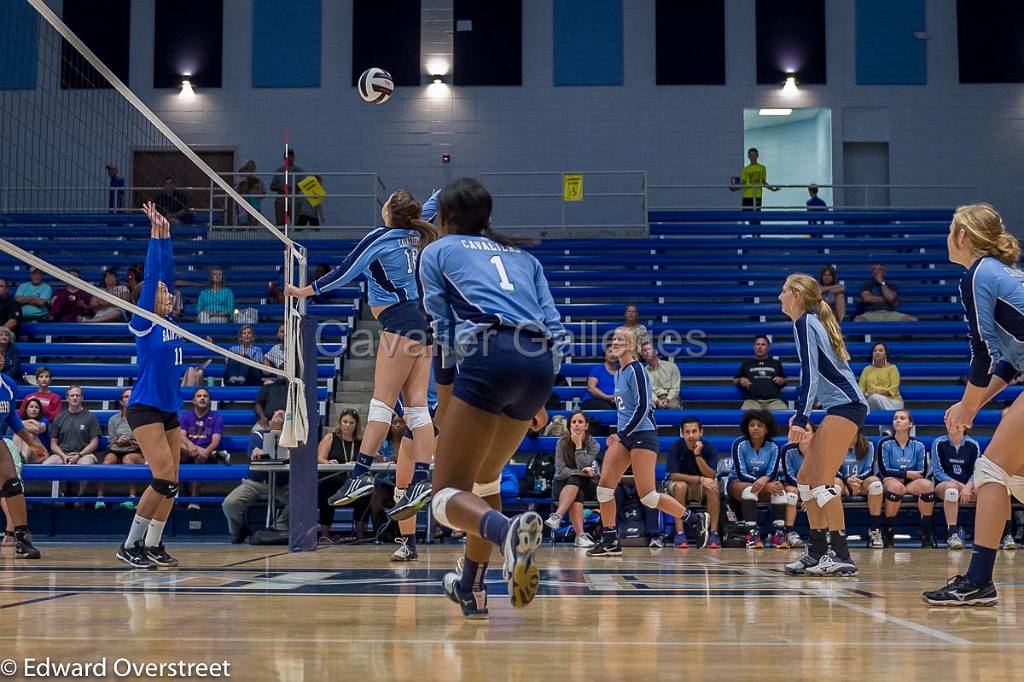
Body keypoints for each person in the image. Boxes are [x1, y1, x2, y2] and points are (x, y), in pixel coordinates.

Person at [417, 177, 565, 617]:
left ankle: (507, 533)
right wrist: (539, 395)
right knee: (485, 482)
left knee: (444, 495)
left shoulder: (436, 252)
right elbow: (554, 327)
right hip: (538, 364)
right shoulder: (523, 257)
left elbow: (441, 332)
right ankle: (472, 587)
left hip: (490, 356)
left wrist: (444, 401)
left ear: (444, 219)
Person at [286, 189, 438, 513]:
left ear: (388, 212)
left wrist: (304, 291)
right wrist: (445, 194)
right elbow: (430, 208)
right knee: (417, 408)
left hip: (397, 321)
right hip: (422, 323)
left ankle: (361, 473)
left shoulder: (381, 238)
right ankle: (423, 478)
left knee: (382, 404)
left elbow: (344, 270)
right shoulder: (414, 234)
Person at [924, 203, 1024, 606]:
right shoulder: (1002, 273)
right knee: (1012, 476)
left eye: (951, 230)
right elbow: (1009, 361)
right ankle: (979, 579)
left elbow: (980, 353)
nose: (948, 237)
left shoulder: (978, 273)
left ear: (962, 236)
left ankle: (979, 580)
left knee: (991, 471)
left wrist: (966, 408)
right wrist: (975, 403)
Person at [586, 326, 708, 557]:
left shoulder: (637, 370)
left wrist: (621, 434)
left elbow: (643, 407)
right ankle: (610, 538)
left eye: (620, 339)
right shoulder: (618, 373)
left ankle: (694, 519)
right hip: (625, 435)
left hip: (643, 435)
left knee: (648, 496)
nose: (614, 342)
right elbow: (626, 410)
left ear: (631, 346)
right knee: (604, 488)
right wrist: (619, 433)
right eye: (613, 338)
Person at [779, 273, 869, 577]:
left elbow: (811, 375)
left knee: (821, 481)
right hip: (840, 406)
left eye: (783, 291)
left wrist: (802, 417)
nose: (779, 296)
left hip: (847, 406)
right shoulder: (808, 322)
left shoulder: (804, 322)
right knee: (804, 477)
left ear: (795, 295)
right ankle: (817, 551)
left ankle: (842, 555)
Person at [115, 201, 185, 569]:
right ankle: (130, 545)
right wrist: (153, 238)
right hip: (144, 407)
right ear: (147, 299)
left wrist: (167, 233)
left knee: (173, 480)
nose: (167, 294)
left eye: (166, 292)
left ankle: (154, 545)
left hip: (169, 407)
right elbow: (155, 272)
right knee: (161, 476)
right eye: (159, 292)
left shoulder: (172, 322)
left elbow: (166, 275)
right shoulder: (144, 323)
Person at [0, 353, 46, 558]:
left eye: (1, 353)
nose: (0, 357)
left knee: (13, 484)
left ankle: (22, 538)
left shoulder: (8, 385)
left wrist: (32, 443)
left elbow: (12, 418)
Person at [223, 411, 289, 543]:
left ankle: (279, 526)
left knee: (303, 499)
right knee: (229, 504)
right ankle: (239, 530)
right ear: (269, 422)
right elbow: (253, 454)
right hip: (255, 483)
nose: (280, 414)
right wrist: (259, 453)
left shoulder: (292, 439)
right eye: (276, 413)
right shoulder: (259, 435)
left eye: (283, 414)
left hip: (282, 485)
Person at [876, 410, 934, 548]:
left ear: (910, 424)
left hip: (910, 483)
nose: (898, 420)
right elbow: (885, 470)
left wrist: (903, 475)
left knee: (927, 485)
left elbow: (922, 471)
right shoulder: (884, 443)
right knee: (896, 487)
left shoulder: (918, 445)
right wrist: (907, 473)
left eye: (902, 418)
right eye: (895, 418)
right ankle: (888, 531)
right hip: (890, 481)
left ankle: (926, 531)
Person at [727, 410, 782, 549]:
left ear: (767, 428)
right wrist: (763, 483)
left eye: (760, 425)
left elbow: (772, 472)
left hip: (765, 484)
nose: (755, 428)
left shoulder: (774, 447)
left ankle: (779, 534)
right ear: (747, 427)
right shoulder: (739, 444)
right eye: (752, 425)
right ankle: (752, 534)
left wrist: (765, 481)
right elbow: (740, 473)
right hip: (737, 484)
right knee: (749, 490)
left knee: (781, 492)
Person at [544, 411, 600, 548]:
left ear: (586, 426)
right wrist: (580, 472)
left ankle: (557, 516)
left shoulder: (594, 445)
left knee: (577, 482)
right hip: (562, 483)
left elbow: (583, 463)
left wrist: (579, 446)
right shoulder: (562, 442)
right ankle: (580, 536)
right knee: (576, 485)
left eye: (580, 422)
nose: (576, 425)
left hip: (588, 484)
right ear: (569, 426)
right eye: (574, 422)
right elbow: (560, 470)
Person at [664, 417, 721, 548]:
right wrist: (700, 479)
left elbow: (711, 475)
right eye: (687, 432)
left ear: (701, 432)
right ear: (682, 433)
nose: (691, 435)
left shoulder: (709, 447)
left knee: (713, 486)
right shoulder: (676, 446)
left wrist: (698, 456)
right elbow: (674, 475)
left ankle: (714, 533)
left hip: (702, 486)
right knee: (680, 486)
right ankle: (679, 533)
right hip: (680, 485)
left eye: (694, 431)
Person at [931, 424, 982, 551]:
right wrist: (962, 487)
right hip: (944, 485)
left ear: (965, 426)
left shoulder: (973, 444)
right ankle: (952, 535)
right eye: (950, 422)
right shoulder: (939, 443)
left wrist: (968, 486)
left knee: (987, 493)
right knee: (952, 490)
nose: (953, 425)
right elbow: (938, 473)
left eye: (956, 422)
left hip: (968, 486)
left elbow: (976, 472)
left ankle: (986, 537)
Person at [317, 408, 364, 543]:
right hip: (332, 479)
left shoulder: (360, 441)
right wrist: (328, 462)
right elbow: (319, 458)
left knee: (365, 492)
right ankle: (325, 534)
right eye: (345, 422)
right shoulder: (331, 437)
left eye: (351, 423)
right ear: (340, 423)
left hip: (351, 481)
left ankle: (360, 534)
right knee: (327, 490)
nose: (347, 425)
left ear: (356, 425)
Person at [835, 429, 883, 547]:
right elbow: (833, 469)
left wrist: (858, 480)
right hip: (844, 484)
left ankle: (874, 529)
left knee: (876, 484)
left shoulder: (868, 445)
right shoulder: (835, 445)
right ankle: (835, 532)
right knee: (833, 486)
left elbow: (870, 469)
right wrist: (848, 480)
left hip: (861, 483)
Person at [179, 387, 225, 505]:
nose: (202, 398)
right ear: (193, 401)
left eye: (205, 396)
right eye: (199, 396)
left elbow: (215, 441)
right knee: (178, 444)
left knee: (199, 458)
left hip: (207, 455)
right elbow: (181, 436)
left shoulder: (216, 417)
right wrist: (191, 445)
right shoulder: (185, 416)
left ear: (209, 401)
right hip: (187, 452)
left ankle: (194, 496)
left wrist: (206, 451)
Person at [104, 388, 144, 508]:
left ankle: (131, 498)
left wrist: (130, 441)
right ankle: (100, 499)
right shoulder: (113, 419)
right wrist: (119, 442)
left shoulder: (141, 419)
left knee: (128, 460)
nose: (129, 399)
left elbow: (144, 443)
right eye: (126, 397)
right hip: (116, 449)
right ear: (121, 402)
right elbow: (111, 442)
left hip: (135, 451)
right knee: (107, 461)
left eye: (131, 397)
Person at [47, 385, 101, 466]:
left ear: (82, 398)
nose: (75, 398)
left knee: (85, 464)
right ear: (67, 398)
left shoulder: (91, 417)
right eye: (72, 395)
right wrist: (63, 456)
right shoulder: (59, 417)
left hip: (84, 454)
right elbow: (53, 444)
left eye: (77, 395)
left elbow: (94, 443)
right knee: (47, 464)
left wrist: (79, 455)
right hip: (62, 454)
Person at [733, 336, 787, 411]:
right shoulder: (747, 363)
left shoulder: (776, 363)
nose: (760, 347)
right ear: (754, 347)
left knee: (782, 414)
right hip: (752, 401)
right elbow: (734, 380)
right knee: (746, 414)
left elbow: (786, 380)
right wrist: (741, 380)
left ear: (768, 348)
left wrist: (782, 380)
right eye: (757, 344)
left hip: (774, 401)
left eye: (763, 345)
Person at [779, 434, 811, 549]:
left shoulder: (820, 449)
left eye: (806, 430)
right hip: (794, 484)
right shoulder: (788, 449)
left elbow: (823, 473)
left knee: (823, 493)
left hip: (814, 486)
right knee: (791, 494)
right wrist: (805, 490)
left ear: (814, 434)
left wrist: (811, 491)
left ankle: (822, 533)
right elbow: (788, 475)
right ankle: (789, 532)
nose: (802, 433)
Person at [730, 147, 779, 222]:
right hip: (747, 196)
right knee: (746, 216)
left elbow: (763, 182)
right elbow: (743, 184)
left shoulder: (762, 168)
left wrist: (772, 189)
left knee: (756, 216)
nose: (752, 157)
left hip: (757, 195)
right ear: (748, 157)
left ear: (757, 156)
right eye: (751, 155)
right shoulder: (745, 169)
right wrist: (734, 189)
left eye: (754, 155)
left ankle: (757, 233)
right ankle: (747, 231)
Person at [642, 341, 680, 409]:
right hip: (651, 399)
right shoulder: (643, 372)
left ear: (656, 352)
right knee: (646, 407)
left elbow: (675, 388)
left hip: (669, 397)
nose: (646, 352)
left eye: (649, 349)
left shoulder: (671, 367)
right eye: (644, 351)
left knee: (673, 406)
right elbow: (646, 390)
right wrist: (656, 400)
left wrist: (667, 399)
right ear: (643, 355)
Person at [13, 398, 48, 463]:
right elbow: (14, 424)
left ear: (39, 410)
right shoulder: (21, 418)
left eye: (36, 407)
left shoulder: (44, 419)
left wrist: (20, 424)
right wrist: (31, 421)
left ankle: (22, 461)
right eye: (31, 407)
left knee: (27, 434)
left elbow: (37, 429)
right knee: (18, 434)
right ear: (26, 409)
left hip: (41, 454)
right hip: (27, 452)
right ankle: (18, 460)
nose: (34, 409)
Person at [583, 345, 618, 410]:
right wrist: (606, 397)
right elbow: (591, 388)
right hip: (594, 400)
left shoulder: (621, 371)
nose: (612, 355)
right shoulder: (598, 369)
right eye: (610, 352)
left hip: (614, 401)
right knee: (607, 409)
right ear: (605, 356)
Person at [235, 160, 265, 225]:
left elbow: (262, 194)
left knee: (253, 224)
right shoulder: (241, 182)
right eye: (248, 168)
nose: (249, 170)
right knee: (242, 223)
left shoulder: (257, 181)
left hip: (254, 204)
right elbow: (236, 191)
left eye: (252, 167)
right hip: (242, 204)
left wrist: (254, 190)